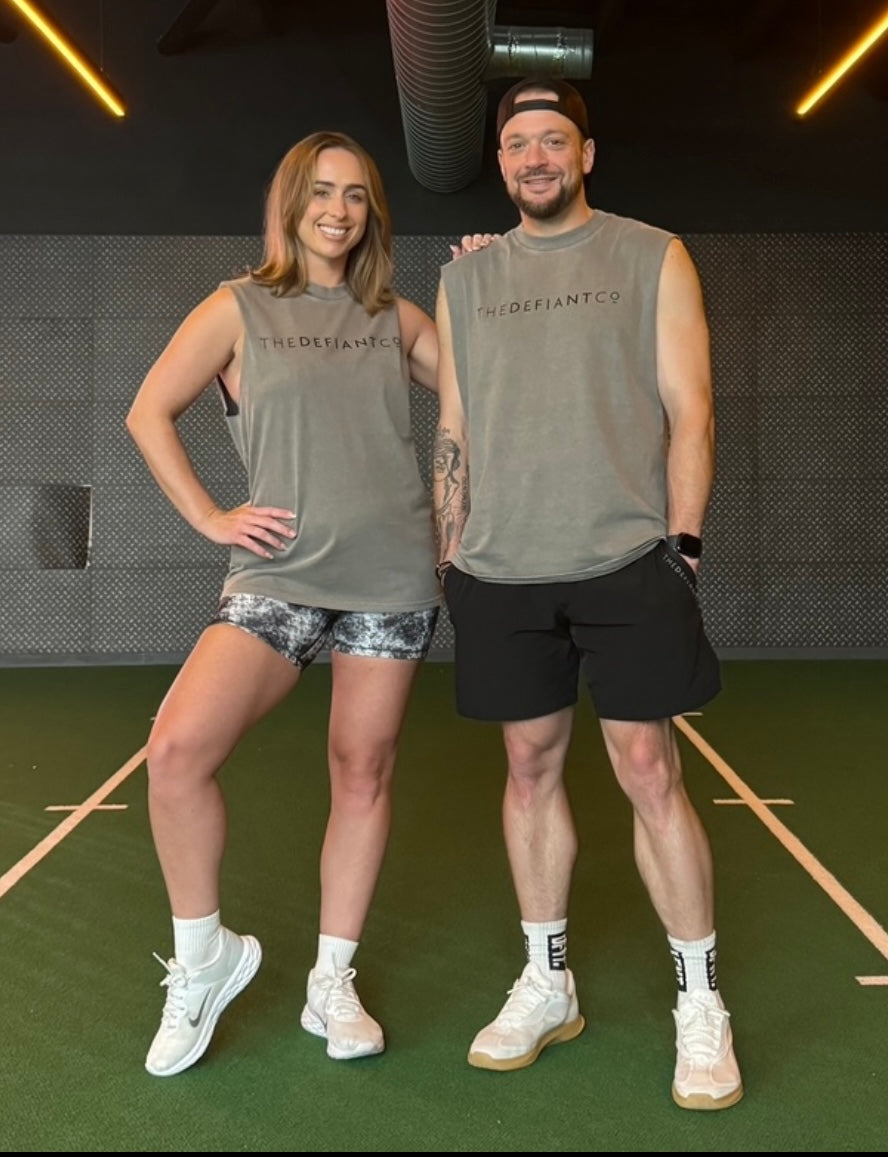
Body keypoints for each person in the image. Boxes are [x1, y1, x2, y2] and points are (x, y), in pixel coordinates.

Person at [433, 78, 743, 1111]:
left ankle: (701, 1004)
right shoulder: (465, 282)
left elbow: (689, 408)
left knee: (649, 766)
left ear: (587, 153)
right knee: (528, 765)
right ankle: (546, 978)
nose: (533, 157)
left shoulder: (653, 253)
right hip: (501, 568)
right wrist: (450, 553)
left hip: (625, 559)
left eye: (551, 140)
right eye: (517, 143)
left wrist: (683, 549)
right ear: (504, 160)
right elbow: (457, 427)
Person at [126, 130, 445, 1077]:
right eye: (324, 193)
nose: (340, 211)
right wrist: (212, 516)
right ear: (292, 201)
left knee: (363, 771)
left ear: (372, 213)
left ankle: (330, 982)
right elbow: (149, 410)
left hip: (392, 576)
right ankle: (204, 959)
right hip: (280, 576)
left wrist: (481, 279)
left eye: (357, 196)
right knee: (177, 750)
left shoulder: (397, 316)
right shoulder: (238, 307)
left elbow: (488, 383)